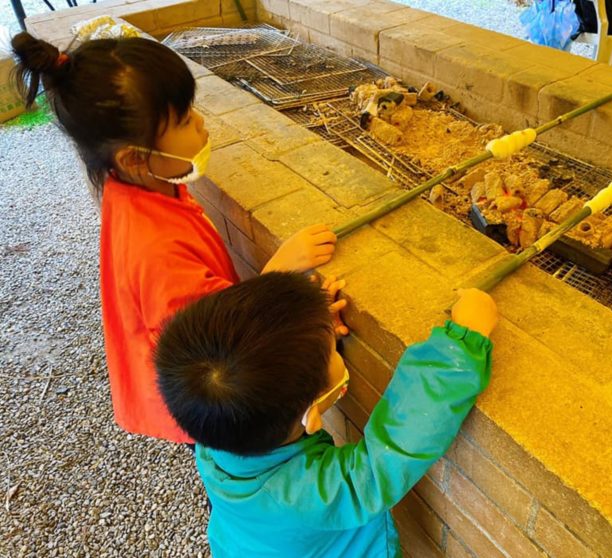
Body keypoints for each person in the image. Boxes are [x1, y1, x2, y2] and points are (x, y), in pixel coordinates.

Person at [11, 33, 338, 443]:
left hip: (174, 367)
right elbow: (211, 347)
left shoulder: (136, 184)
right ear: (134, 157)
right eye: (183, 120)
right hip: (195, 400)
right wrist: (281, 274)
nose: (200, 123)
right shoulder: (154, 250)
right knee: (221, 454)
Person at [154, 271, 497, 557]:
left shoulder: (216, 435)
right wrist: (461, 344)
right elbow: (390, 452)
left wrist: (306, 330)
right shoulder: (310, 494)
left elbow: (252, 356)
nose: (333, 343)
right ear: (311, 415)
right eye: (331, 351)